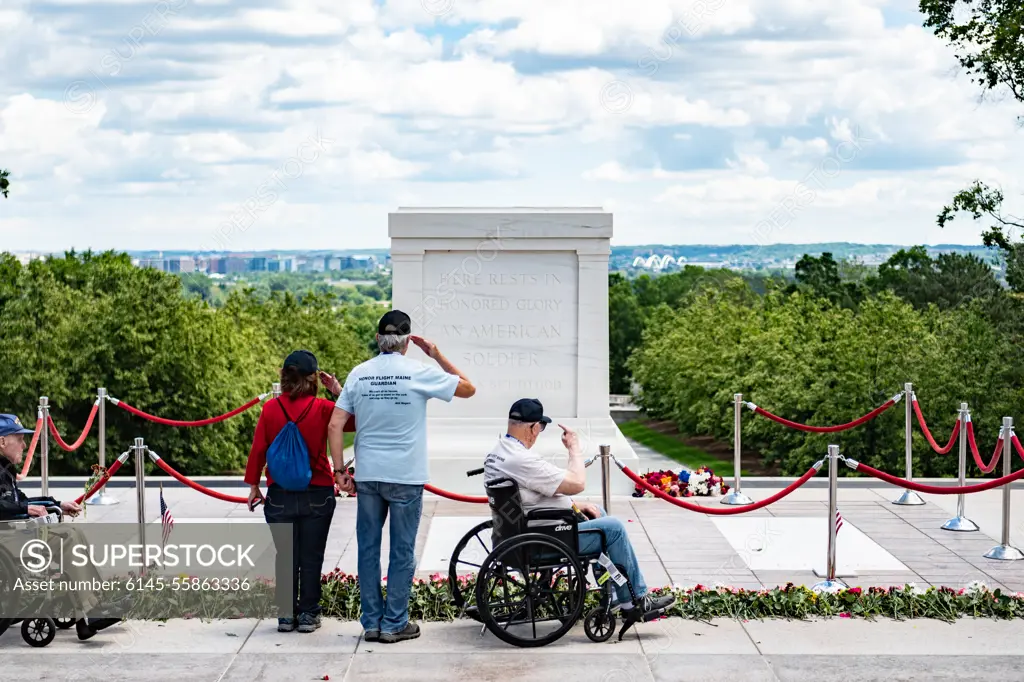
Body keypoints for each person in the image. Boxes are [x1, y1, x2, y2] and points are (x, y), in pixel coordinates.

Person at [327, 310, 475, 644]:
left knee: (367, 549)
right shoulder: (419, 371)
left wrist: (339, 471)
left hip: (368, 474)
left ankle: (371, 623)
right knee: (402, 551)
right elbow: (468, 388)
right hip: (405, 475)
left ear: (378, 339)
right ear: (407, 342)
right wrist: (436, 354)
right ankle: (394, 623)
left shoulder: (360, 373)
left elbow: (335, 424)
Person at [483, 398, 676, 619]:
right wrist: (574, 448)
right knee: (613, 528)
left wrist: (576, 506)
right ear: (533, 428)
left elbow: (535, 493)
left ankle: (614, 594)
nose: (540, 432)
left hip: (522, 531)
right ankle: (635, 601)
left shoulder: (500, 452)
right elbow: (576, 483)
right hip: (543, 537)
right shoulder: (521, 459)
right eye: (541, 427)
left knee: (596, 513)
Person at [245, 350, 345, 634]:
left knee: (285, 554)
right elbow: (351, 422)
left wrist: (254, 485)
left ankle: (286, 615)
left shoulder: (270, 409)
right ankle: (309, 615)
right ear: (314, 378)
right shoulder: (324, 408)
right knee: (312, 556)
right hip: (318, 492)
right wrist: (337, 391)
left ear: (284, 376)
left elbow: (258, 449)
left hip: (280, 494)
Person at [0, 413, 121, 641]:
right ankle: (91, 611)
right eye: (19, 438)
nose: (25, 445)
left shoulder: (4, 469)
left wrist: (56, 505)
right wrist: (26, 509)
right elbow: (11, 504)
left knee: (73, 533)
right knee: (68, 537)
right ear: (2, 441)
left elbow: (19, 499)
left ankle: (90, 610)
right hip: (5, 538)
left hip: (10, 534)